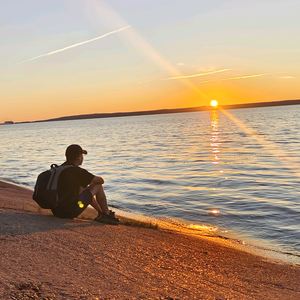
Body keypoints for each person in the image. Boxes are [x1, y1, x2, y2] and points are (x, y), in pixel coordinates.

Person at [51, 144, 119, 225]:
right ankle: (107, 214)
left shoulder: (59, 169)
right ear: (78, 157)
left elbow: (85, 193)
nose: (82, 158)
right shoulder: (78, 172)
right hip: (68, 212)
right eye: (82, 155)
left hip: (56, 210)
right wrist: (90, 179)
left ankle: (101, 213)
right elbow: (101, 181)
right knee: (97, 185)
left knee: (84, 188)